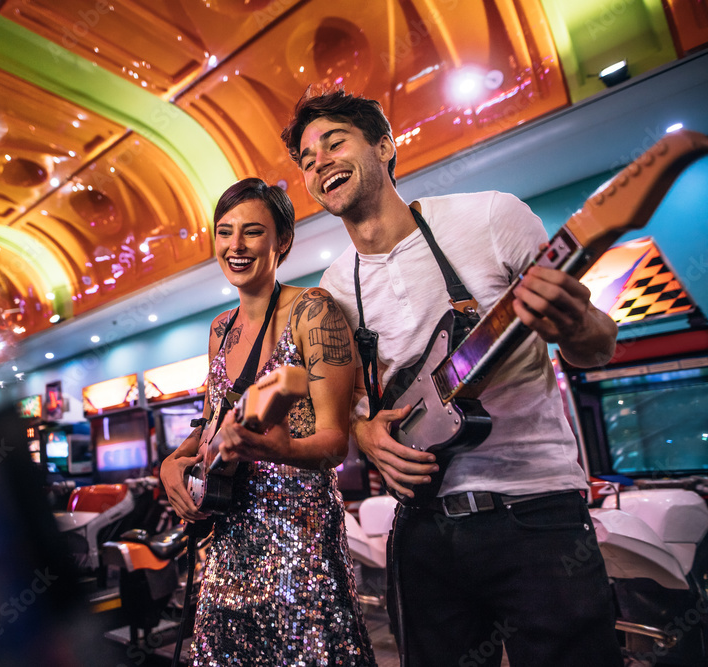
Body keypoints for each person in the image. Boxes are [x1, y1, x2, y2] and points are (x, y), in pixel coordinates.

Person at [280, 87, 623, 667]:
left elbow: (598, 348)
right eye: (307, 161)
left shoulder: (491, 217)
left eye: (334, 143)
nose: (319, 164)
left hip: (536, 512)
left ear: (385, 146)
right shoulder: (333, 291)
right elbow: (345, 410)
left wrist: (573, 321)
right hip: (421, 528)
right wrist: (367, 437)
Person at [161, 177, 376, 666]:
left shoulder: (312, 311)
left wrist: (282, 451)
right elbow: (214, 418)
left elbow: (334, 443)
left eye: (252, 232)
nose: (235, 246)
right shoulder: (220, 328)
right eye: (224, 231)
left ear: (283, 240)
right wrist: (173, 462)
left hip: (297, 540)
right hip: (228, 540)